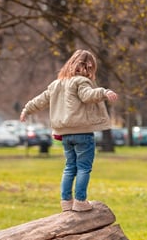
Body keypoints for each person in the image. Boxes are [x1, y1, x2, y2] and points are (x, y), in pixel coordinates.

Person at [20, 49, 119, 212]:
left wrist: (26, 110)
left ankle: (66, 201)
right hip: (82, 133)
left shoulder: (56, 84)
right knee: (83, 167)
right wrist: (104, 92)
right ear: (88, 68)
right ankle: (80, 201)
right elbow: (88, 96)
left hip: (65, 134)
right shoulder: (81, 82)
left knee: (69, 167)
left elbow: (40, 100)